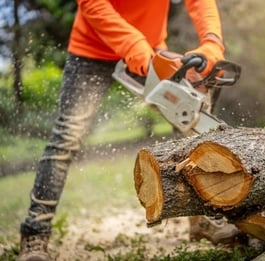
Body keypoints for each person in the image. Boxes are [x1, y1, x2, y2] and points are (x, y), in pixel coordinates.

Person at [17, 1, 226, 260]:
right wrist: (130, 43)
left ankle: (203, 219)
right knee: (66, 137)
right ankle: (35, 234)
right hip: (90, 51)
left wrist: (212, 40)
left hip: (151, 51)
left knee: (191, 124)